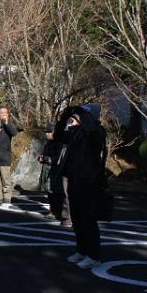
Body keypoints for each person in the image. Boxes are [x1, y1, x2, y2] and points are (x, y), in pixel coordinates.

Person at [54, 104, 107, 269]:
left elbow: (92, 134)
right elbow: (58, 136)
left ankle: (94, 254)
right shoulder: (76, 132)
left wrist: (85, 115)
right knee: (76, 218)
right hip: (74, 179)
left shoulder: (97, 132)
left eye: (85, 116)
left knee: (88, 218)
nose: (80, 118)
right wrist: (63, 119)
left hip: (88, 181)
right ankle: (82, 249)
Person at [38, 125, 70, 226]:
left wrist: (47, 159)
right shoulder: (48, 143)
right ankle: (52, 211)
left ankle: (58, 212)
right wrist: (41, 158)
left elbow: (58, 159)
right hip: (47, 170)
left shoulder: (59, 143)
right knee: (50, 193)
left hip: (55, 171)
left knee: (57, 193)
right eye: (46, 132)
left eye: (49, 132)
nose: (47, 134)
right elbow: (45, 154)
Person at [0, 106, 18, 204]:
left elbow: (14, 133)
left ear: (8, 114)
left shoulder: (9, 125)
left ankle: (7, 196)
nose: (3, 115)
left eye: (5, 113)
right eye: (1, 113)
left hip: (4, 155)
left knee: (6, 178)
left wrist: (6, 122)